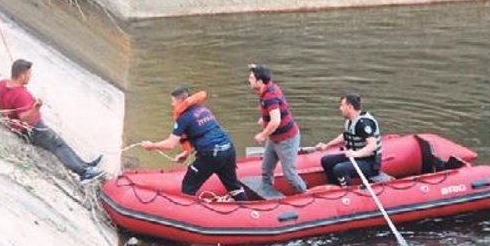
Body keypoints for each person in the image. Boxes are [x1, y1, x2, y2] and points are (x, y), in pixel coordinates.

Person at [0, 59, 104, 183]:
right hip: (32, 130)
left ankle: (86, 166)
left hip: (21, 128)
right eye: (29, 74)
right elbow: (25, 118)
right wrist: (37, 107)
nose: (30, 77)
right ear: (22, 75)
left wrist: (5, 118)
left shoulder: (2, 84)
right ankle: (83, 173)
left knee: (60, 143)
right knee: (58, 146)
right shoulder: (21, 94)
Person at [140, 87, 246, 201]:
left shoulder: (183, 118)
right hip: (228, 149)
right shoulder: (203, 110)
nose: (172, 104)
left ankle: (188, 214)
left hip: (211, 154)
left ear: (181, 101)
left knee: (188, 186)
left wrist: (152, 146)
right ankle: (245, 208)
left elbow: (170, 144)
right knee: (233, 185)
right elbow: (203, 133)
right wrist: (186, 153)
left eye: (173, 101)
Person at [248, 64, 307, 194]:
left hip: (286, 139)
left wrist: (262, 135)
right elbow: (274, 113)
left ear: (260, 81)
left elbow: (275, 121)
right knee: (266, 170)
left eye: (251, 78)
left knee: (289, 174)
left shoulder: (270, 96)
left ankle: (305, 195)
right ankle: (266, 195)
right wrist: (264, 119)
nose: (249, 80)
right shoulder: (267, 88)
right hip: (274, 138)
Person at [315, 93, 382, 187]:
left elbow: (372, 145)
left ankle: (347, 192)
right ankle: (334, 187)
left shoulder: (364, 124)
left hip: (370, 162)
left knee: (340, 169)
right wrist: (327, 145)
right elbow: (345, 136)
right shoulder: (350, 120)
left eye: (342, 105)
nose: (340, 108)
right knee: (326, 161)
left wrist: (356, 154)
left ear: (350, 107)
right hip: (356, 157)